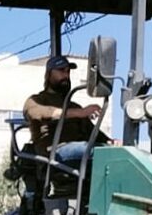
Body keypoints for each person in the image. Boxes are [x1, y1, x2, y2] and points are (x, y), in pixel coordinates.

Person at [23, 55, 109, 184]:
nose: (66, 75)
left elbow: (93, 133)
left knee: (112, 153)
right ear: (49, 74)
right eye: (61, 71)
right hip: (54, 152)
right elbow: (36, 113)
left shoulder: (73, 106)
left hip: (77, 148)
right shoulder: (37, 100)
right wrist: (80, 113)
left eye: (68, 71)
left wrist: (110, 142)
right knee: (99, 153)